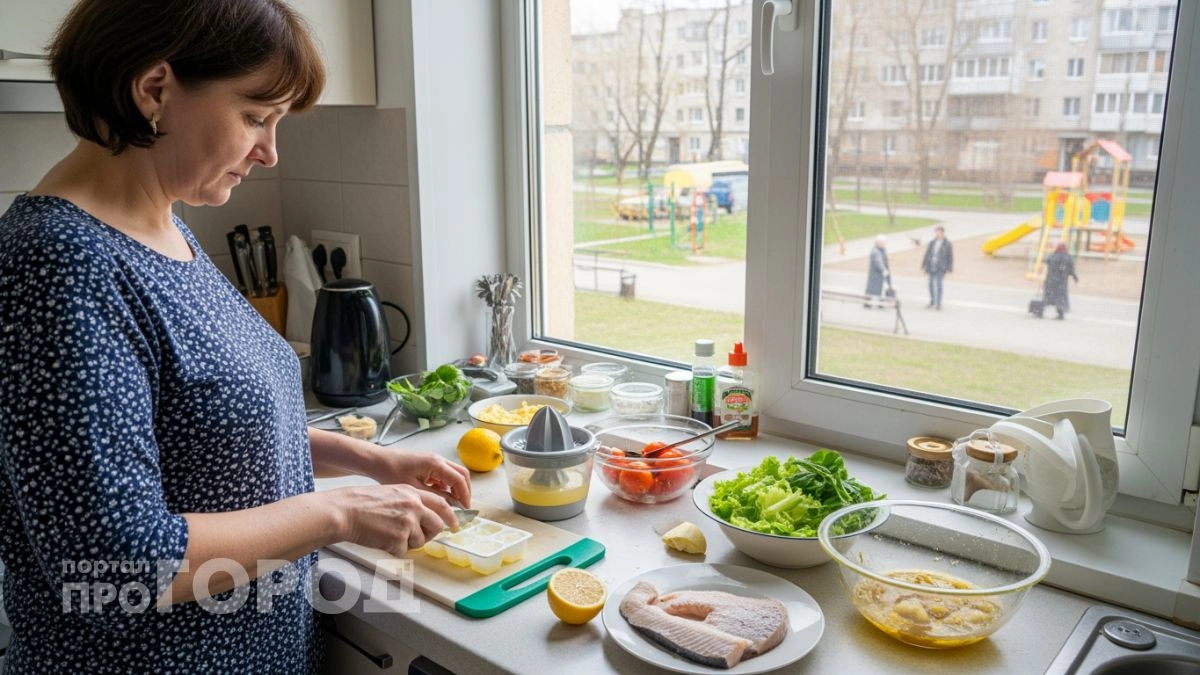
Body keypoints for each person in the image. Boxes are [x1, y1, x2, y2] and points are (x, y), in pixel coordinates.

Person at [0, 2, 470, 671]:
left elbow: (203, 428)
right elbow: (117, 567)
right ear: (155, 90)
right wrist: (338, 514)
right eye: (255, 116)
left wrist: (369, 462)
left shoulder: (163, 226)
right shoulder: (60, 263)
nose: (270, 151)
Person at [1041, 242, 1079, 320]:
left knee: (1048, 296)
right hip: (1062, 282)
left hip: (1051, 280)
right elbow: (1071, 269)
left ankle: (1039, 310)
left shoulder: (1053, 256)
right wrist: (1075, 278)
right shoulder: (1068, 257)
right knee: (1060, 298)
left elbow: (1046, 260)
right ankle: (1060, 313)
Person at [920, 225, 954, 310]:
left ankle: (939, 303)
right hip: (931, 265)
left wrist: (949, 268)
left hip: (940, 267)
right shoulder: (932, 242)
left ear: (942, 233)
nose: (937, 234)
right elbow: (927, 254)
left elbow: (950, 256)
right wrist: (924, 265)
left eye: (938, 232)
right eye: (936, 232)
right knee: (931, 284)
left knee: (939, 285)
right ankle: (932, 301)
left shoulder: (947, 244)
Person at [864, 235, 891, 308]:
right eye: (883, 242)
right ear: (878, 243)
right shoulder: (876, 251)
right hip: (877, 274)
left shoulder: (881, 250)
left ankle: (871, 302)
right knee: (875, 288)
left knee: (876, 288)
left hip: (878, 274)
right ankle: (870, 302)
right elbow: (878, 261)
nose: (884, 244)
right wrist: (883, 270)